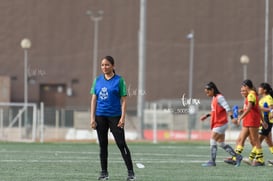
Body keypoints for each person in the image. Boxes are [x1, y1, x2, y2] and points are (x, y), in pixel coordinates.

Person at [90, 56, 135, 181]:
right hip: (100, 117)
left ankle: (131, 173)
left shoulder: (119, 80)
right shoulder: (97, 80)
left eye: (107, 65)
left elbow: (124, 100)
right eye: (102, 65)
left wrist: (122, 118)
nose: (104, 67)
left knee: (121, 144)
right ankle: (104, 173)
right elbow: (94, 99)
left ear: (113, 66)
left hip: (115, 117)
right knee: (103, 145)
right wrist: (92, 118)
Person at [200, 82, 242, 167]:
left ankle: (212, 161)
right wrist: (206, 115)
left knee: (212, 140)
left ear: (212, 90)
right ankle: (237, 157)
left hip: (220, 123)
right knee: (221, 143)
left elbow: (227, 108)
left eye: (208, 92)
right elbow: (214, 111)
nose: (207, 94)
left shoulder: (220, 97)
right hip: (219, 124)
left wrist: (232, 118)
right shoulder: (214, 98)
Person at [230, 80, 267, 166]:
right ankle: (236, 158)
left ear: (246, 86)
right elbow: (256, 109)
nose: (242, 90)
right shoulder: (251, 95)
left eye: (243, 87)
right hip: (249, 120)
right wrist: (263, 121)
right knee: (241, 139)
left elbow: (250, 108)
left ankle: (260, 160)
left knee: (255, 140)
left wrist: (240, 117)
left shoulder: (251, 95)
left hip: (252, 120)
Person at [244, 83, 273, 165]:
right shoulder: (262, 99)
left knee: (258, 140)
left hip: (267, 122)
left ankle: (251, 158)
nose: (258, 89)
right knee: (269, 141)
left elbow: (271, 108)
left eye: (260, 88)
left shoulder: (268, 98)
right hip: (263, 122)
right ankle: (258, 159)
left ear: (265, 90)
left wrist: (260, 108)